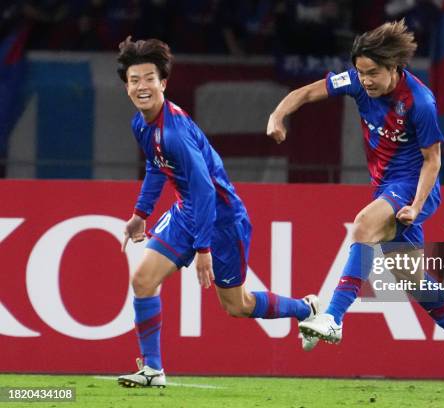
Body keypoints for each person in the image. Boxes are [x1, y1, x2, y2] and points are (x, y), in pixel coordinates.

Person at [266, 20, 444, 379]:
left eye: (373, 73)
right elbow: (303, 94)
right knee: (409, 277)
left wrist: (414, 205)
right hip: (386, 188)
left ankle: (333, 317)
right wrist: (277, 115)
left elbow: (433, 161)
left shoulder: (420, 102)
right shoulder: (356, 82)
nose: (365, 80)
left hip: (414, 187)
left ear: (395, 67)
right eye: (361, 72)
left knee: (364, 226)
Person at [115, 36, 319, 388]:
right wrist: (140, 213)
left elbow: (206, 190)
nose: (141, 86)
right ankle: (153, 369)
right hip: (186, 212)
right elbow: (155, 166)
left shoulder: (175, 132)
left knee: (236, 305)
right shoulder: (142, 124)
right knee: (142, 279)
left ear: (163, 83)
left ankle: (307, 310)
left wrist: (204, 249)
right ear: (127, 87)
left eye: (149, 78)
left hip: (222, 220)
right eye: (134, 80)